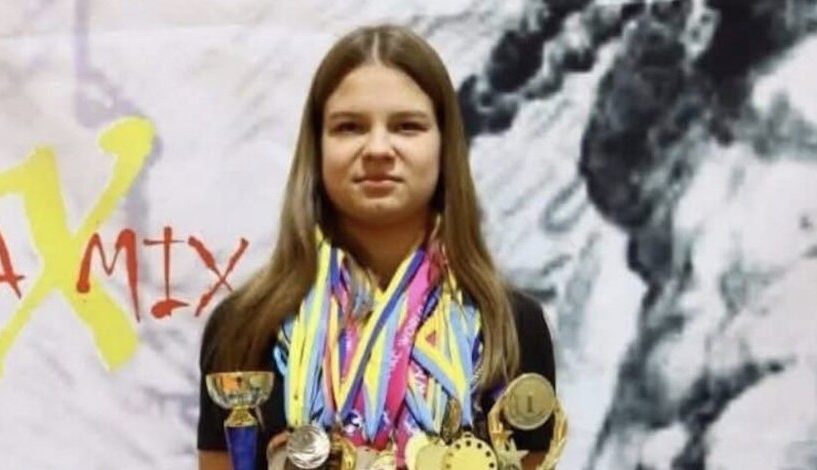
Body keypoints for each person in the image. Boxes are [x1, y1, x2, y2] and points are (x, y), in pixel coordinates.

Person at [197, 23, 555, 470]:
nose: (378, 149)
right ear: (317, 148)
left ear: (444, 147)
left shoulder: (510, 326)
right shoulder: (244, 326)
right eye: (349, 127)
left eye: (407, 126)